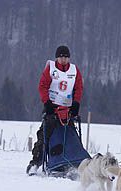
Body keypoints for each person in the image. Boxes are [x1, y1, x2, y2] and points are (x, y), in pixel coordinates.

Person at [26, 45, 84, 174]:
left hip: (68, 110)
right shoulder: (50, 69)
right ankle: (36, 163)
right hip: (52, 108)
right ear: (57, 58)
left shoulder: (74, 71)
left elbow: (78, 87)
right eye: (61, 57)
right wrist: (47, 103)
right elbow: (42, 86)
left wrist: (76, 103)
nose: (63, 59)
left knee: (70, 136)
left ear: (69, 58)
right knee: (44, 136)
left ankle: (71, 163)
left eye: (66, 57)